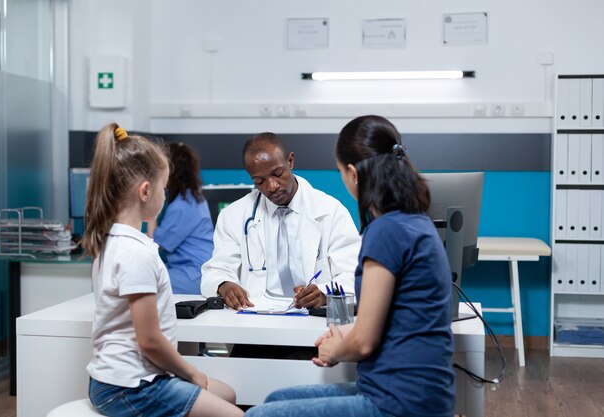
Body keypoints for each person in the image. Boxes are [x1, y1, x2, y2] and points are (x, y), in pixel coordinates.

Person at [244, 115, 456, 417]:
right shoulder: (415, 222)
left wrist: (336, 349)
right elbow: (395, 317)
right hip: (415, 391)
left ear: (353, 173)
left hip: (399, 401)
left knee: (256, 415)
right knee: (276, 398)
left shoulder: (385, 231)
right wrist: (345, 334)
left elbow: (365, 344)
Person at [83, 123, 243, 417]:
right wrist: (193, 374)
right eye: (163, 189)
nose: (165, 197)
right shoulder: (136, 254)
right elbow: (150, 341)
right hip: (132, 387)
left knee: (228, 394)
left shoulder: (110, 244)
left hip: (118, 379)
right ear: (145, 192)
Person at [200, 132, 361, 310]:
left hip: (313, 322)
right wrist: (223, 285)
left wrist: (323, 293)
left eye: (277, 174)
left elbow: (354, 275)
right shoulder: (233, 215)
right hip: (254, 320)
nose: (271, 186)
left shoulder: (331, 211)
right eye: (259, 181)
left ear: (290, 161)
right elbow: (215, 271)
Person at [147, 142, 214, 294]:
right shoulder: (195, 199)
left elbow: (156, 242)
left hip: (192, 276)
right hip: (198, 272)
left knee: (144, 282)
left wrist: (151, 202)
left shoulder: (182, 206)